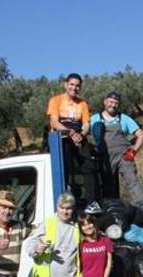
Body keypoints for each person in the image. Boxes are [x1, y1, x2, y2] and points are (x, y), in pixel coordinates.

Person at [90, 91, 143, 208]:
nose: (113, 105)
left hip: (123, 155)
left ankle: (141, 208)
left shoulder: (124, 118)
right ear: (105, 102)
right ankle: (110, 209)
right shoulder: (95, 118)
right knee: (107, 185)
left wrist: (134, 150)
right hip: (104, 156)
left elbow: (140, 134)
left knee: (132, 181)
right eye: (111, 102)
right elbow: (84, 133)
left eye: (116, 103)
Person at [47, 73, 99, 201]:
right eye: (71, 84)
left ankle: (91, 203)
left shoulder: (83, 104)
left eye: (77, 86)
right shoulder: (55, 100)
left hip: (78, 136)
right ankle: (62, 201)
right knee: (63, 168)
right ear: (66, 84)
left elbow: (86, 123)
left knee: (89, 166)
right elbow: (54, 122)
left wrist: (81, 134)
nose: (74, 88)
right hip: (61, 137)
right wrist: (70, 133)